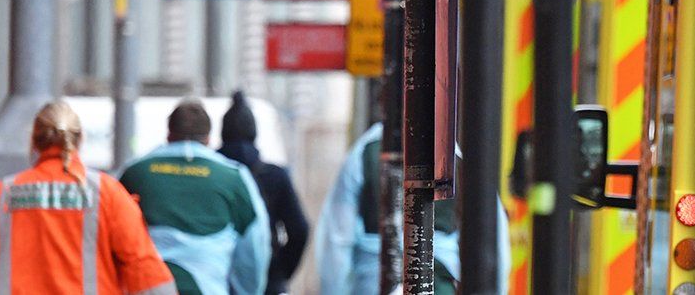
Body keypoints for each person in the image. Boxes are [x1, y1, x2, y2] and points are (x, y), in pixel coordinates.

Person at [0, 101, 176, 295]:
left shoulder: (1, 196)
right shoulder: (107, 194)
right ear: (79, 139)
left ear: (34, 142)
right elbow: (143, 267)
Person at [315, 123, 512, 295]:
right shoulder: (454, 156)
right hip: (438, 282)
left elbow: (336, 243)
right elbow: (493, 237)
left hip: (373, 282)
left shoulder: (365, 152)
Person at [120, 99, 272, 295]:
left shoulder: (134, 172)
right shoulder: (234, 177)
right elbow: (254, 247)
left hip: (147, 288)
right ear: (208, 139)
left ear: (169, 134)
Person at [218, 91, 310, 295]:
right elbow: (299, 230)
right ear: (254, 134)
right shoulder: (275, 176)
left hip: (219, 277)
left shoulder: (212, 175)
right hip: (267, 279)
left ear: (223, 133)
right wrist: (279, 271)